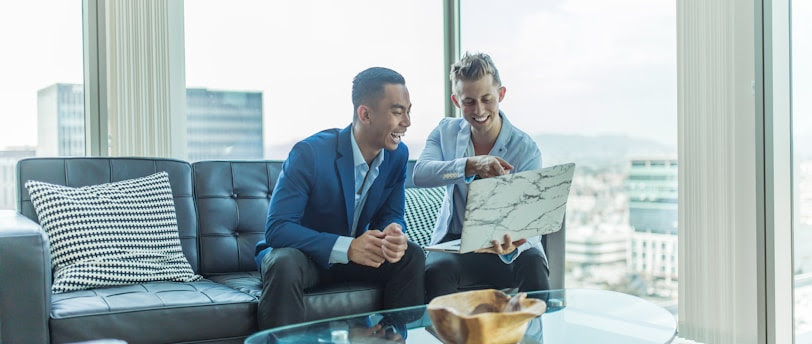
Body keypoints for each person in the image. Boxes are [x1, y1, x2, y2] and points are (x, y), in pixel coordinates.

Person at [254, 67, 425, 330]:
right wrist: (347, 247)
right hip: (306, 257)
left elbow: (391, 214)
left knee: (410, 255)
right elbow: (278, 229)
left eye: (408, 110)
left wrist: (393, 231)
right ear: (365, 114)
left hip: (354, 258)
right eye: (397, 111)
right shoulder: (309, 153)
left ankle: (391, 335)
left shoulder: (397, 155)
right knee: (283, 262)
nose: (407, 122)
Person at [413, 52, 550, 302]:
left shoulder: (526, 149)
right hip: (456, 244)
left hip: (507, 246)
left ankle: (534, 338)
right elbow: (420, 174)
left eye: (487, 99)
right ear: (456, 100)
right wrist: (470, 165)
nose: (479, 110)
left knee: (534, 265)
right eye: (469, 102)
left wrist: (514, 243)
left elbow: (532, 220)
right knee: (436, 271)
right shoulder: (445, 132)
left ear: (501, 94)